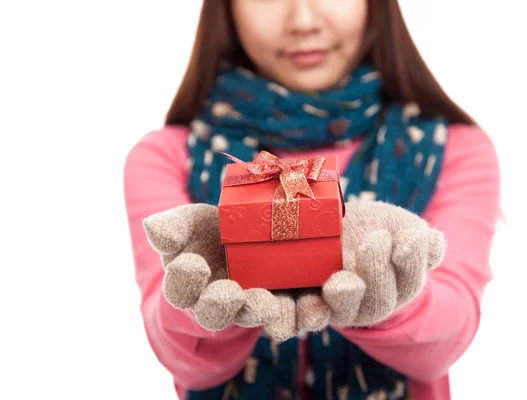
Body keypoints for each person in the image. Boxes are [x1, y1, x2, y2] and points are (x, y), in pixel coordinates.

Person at [123, 1, 501, 399]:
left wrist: (390, 293)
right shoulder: (167, 157)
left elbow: (445, 341)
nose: (302, 21)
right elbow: (181, 359)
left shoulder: (454, 150)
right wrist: (203, 298)